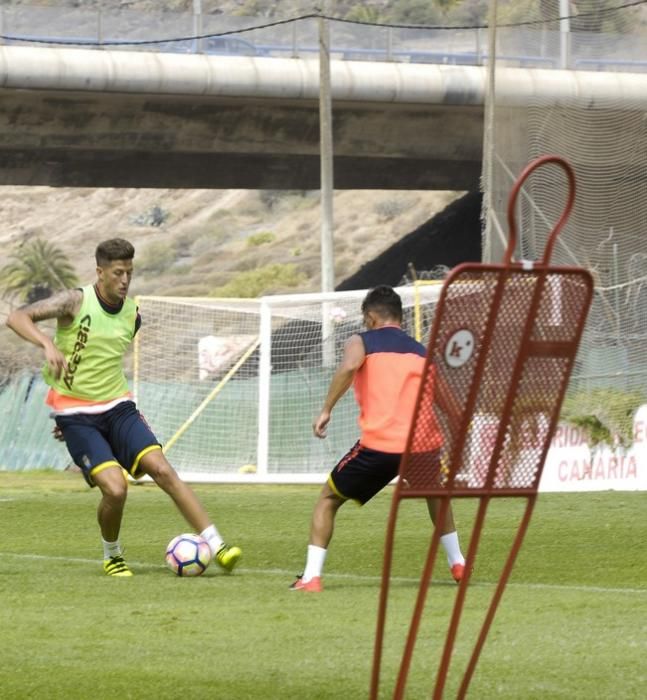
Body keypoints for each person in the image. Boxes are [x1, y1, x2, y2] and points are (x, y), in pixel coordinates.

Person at [5, 238, 241, 577]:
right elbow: (17, 316)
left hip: (118, 406)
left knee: (162, 469)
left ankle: (218, 546)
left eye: (129, 272)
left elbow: (101, 362)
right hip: (75, 414)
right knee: (116, 489)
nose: (125, 280)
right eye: (118, 273)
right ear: (100, 272)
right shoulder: (75, 301)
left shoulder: (132, 315)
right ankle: (112, 554)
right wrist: (46, 344)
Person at [291, 285, 465, 592]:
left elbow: (348, 366)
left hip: (381, 446)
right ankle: (458, 563)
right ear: (399, 317)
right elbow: (451, 407)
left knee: (328, 499)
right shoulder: (421, 352)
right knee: (436, 496)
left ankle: (310, 578)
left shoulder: (362, 341)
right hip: (422, 446)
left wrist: (326, 409)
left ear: (371, 317)